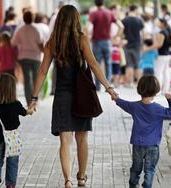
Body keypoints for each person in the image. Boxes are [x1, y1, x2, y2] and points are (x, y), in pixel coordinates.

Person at [28, 5, 118, 188]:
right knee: (82, 137)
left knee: (64, 139)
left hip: (62, 95)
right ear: (76, 20)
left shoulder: (52, 42)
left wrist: (34, 98)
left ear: (59, 20)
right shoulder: (81, 39)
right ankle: (82, 177)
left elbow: (43, 71)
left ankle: (68, 180)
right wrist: (108, 87)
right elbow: (93, 64)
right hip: (81, 95)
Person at [112, 75, 171, 188]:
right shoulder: (158, 109)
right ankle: (147, 185)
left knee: (136, 168)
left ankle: (133, 185)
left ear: (139, 89)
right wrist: (170, 101)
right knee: (150, 169)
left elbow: (122, 103)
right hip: (153, 145)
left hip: (138, 144)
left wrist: (115, 97)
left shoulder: (134, 107)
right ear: (156, 92)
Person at [0, 73, 33, 188]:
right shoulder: (16, 104)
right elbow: (25, 112)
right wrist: (31, 110)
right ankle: (11, 184)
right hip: (12, 139)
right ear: (12, 89)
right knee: (12, 162)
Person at [89, 0, 122, 90]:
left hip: (96, 41)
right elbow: (121, 26)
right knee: (108, 63)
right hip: (107, 41)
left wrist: (87, 36)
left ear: (95, 3)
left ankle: (98, 86)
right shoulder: (109, 13)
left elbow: (88, 27)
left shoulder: (94, 13)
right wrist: (115, 37)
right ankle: (108, 86)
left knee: (97, 64)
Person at [12, 11, 43, 105]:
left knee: (27, 80)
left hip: (24, 57)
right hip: (35, 57)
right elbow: (40, 44)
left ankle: (29, 102)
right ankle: (35, 100)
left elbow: (13, 43)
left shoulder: (20, 29)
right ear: (32, 18)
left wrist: (15, 56)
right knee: (35, 79)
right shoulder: (36, 29)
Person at [147, 18, 171, 93]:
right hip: (167, 55)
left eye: (158, 23)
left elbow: (159, 45)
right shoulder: (168, 31)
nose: (157, 24)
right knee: (165, 72)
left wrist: (148, 48)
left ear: (162, 23)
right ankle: (165, 90)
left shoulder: (162, 32)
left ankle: (157, 90)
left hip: (161, 55)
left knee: (158, 72)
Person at [122, 4, 144, 86]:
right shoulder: (139, 20)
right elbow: (142, 33)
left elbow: (122, 32)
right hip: (137, 44)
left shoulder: (124, 20)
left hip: (127, 44)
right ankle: (139, 83)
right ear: (135, 9)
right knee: (138, 64)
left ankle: (129, 83)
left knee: (129, 64)